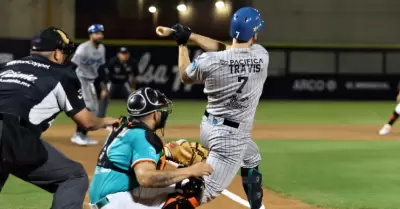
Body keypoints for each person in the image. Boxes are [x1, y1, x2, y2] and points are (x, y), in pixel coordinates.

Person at [0, 27, 118, 209]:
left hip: (11, 138)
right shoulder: (62, 74)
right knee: (74, 176)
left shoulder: (7, 66)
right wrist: (106, 121)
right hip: (13, 135)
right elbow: (86, 121)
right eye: (64, 52)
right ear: (56, 53)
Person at [169, 7, 267, 209]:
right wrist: (191, 36)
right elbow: (227, 50)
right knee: (202, 192)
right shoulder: (262, 56)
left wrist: (183, 43)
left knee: (251, 156)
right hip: (231, 137)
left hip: (209, 126)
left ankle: (257, 208)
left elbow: (185, 76)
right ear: (254, 34)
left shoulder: (210, 61)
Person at [89, 87, 213, 209]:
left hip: (105, 199)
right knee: (192, 186)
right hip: (116, 202)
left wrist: (167, 152)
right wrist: (190, 171)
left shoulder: (124, 127)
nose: (162, 113)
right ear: (154, 114)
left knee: (181, 181)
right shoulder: (142, 136)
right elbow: (146, 178)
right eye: (160, 109)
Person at [71, 24, 108, 146]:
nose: (100, 35)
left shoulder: (101, 48)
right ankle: (78, 135)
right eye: (97, 33)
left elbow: (101, 69)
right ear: (91, 35)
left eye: (101, 33)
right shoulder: (83, 49)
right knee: (88, 107)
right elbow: (72, 66)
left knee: (94, 109)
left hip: (91, 81)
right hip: (80, 79)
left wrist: (103, 87)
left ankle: (82, 135)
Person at [97, 47, 138, 118]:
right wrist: (104, 89)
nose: (124, 55)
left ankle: (135, 117)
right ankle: (100, 117)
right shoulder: (112, 62)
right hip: (112, 82)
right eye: (122, 54)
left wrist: (133, 88)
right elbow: (104, 75)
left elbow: (134, 77)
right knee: (104, 96)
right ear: (118, 54)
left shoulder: (132, 62)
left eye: (126, 53)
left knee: (133, 97)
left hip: (124, 82)